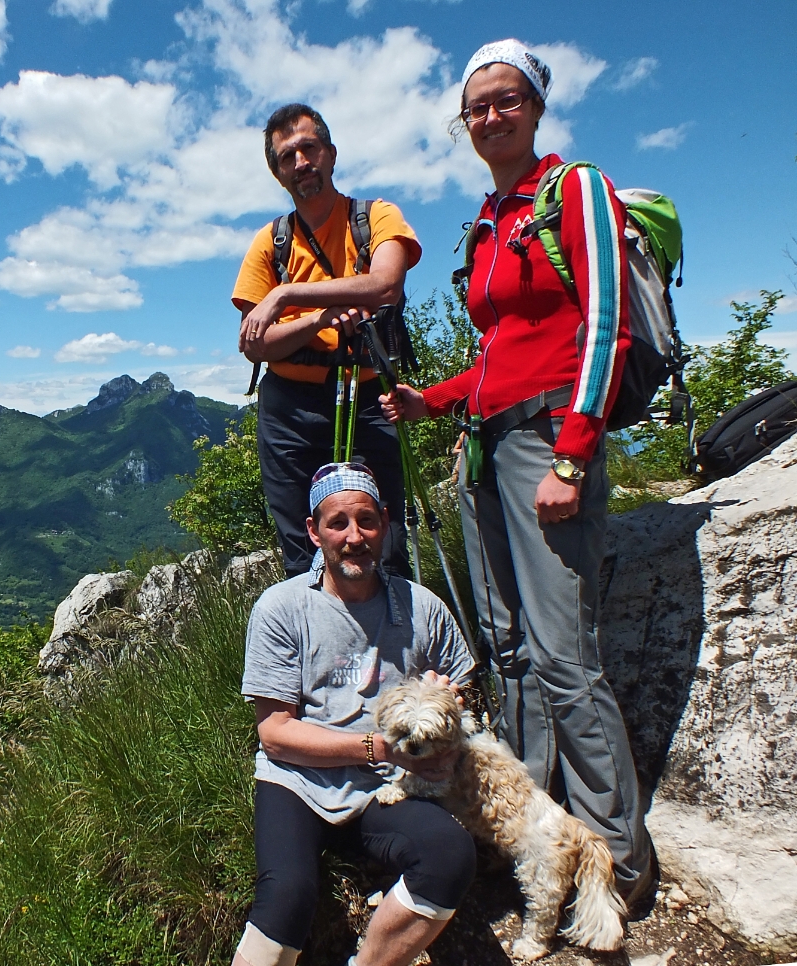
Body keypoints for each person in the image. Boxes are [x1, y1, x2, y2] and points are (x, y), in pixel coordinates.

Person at [380, 39, 655, 902]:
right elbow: (500, 351)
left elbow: (602, 323)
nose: (490, 115)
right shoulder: (490, 220)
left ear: (535, 106)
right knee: (507, 651)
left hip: (546, 440)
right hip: (485, 442)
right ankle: (532, 830)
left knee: (565, 657)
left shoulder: (572, 190)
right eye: (477, 106)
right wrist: (438, 401)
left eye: (507, 99)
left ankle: (619, 864)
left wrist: (574, 455)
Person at [234, 462, 477, 966]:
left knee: (449, 855)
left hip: (387, 786)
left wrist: (448, 704)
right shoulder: (282, 608)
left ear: (385, 523)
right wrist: (379, 747)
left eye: (366, 521)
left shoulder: (421, 607)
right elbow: (275, 735)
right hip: (296, 781)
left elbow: (464, 690)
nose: (353, 537)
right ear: (313, 532)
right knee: (287, 895)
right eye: (337, 524)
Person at [234, 103, 421, 579]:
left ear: (331, 154)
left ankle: (395, 644)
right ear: (277, 173)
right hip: (290, 410)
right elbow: (257, 344)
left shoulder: (375, 216)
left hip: (368, 396)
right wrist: (320, 319)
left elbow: (385, 285)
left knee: (383, 534)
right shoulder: (270, 242)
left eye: (308, 148)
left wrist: (286, 295)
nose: (300, 163)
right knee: (302, 543)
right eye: (286, 157)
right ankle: (320, 643)